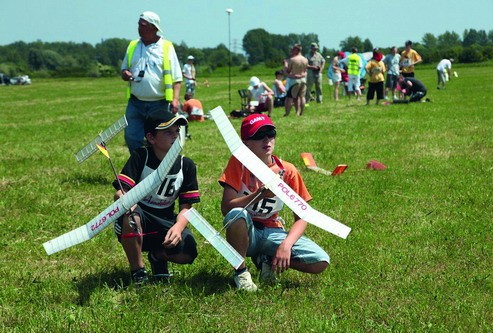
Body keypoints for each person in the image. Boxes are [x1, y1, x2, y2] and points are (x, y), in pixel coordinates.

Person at [218, 114, 330, 291]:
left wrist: (286, 245)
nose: (267, 140)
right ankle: (241, 273)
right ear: (246, 142)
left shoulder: (288, 171)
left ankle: (267, 259)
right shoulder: (238, 164)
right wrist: (259, 195)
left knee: (320, 262)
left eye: (270, 133)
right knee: (235, 215)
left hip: (273, 232)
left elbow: (303, 216)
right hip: (247, 232)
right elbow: (226, 208)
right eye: (259, 135)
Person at [113, 113, 200, 284]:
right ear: (151, 138)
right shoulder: (141, 156)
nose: (175, 136)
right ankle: (138, 271)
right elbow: (121, 192)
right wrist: (126, 202)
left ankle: (157, 256)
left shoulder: (186, 165)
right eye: (168, 132)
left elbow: (186, 206)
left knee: (188, 251)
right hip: (139, 218)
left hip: (165, 220)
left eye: (177, 131)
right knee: (132, 217)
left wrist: (178, 226)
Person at [121, 11, 183, 154]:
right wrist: (125, 74)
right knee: (131, 136)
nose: (139, 28)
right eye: (138, 25)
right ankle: (139, 166)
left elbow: (177, 77)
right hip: (136, 102)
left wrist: (175, 99)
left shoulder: (166, 47)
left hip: (159, 103)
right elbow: (124, 68)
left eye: (143, 25)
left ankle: (156, 168)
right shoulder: (132, 46)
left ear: (153, 27)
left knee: (159, 140)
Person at [284, 44, 308, 116]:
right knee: (302, 96)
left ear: (297, 50)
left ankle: (287, 113)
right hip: (303, 79)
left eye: (294, 49)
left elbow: (288, 70)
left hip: (294, 80)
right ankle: (301, 112)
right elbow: (305, 70)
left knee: (290, 97)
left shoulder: (293, 59)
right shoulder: (305, 59)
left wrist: (285, 68)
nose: (292, 51)